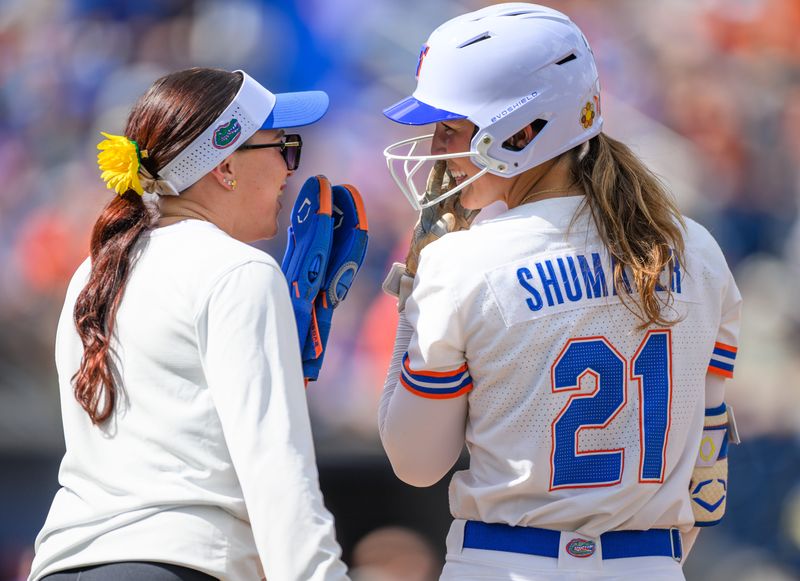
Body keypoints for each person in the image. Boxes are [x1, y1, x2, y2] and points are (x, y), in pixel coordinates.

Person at [379, 4, 741, 580]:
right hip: (649, 566)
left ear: (523, 132)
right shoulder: (697, 249)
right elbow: (708, 469)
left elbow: (415, 463)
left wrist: (414, 289)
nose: (433, 148)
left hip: (502, 563)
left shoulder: (461, 261)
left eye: (450, 127)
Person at [29, 68, 349, 581]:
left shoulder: (91, 271)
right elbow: (275, 468)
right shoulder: (238, 269)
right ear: (225, 165)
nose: (291, 167)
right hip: (180, 564)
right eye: (283, 146)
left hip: (63, 562)